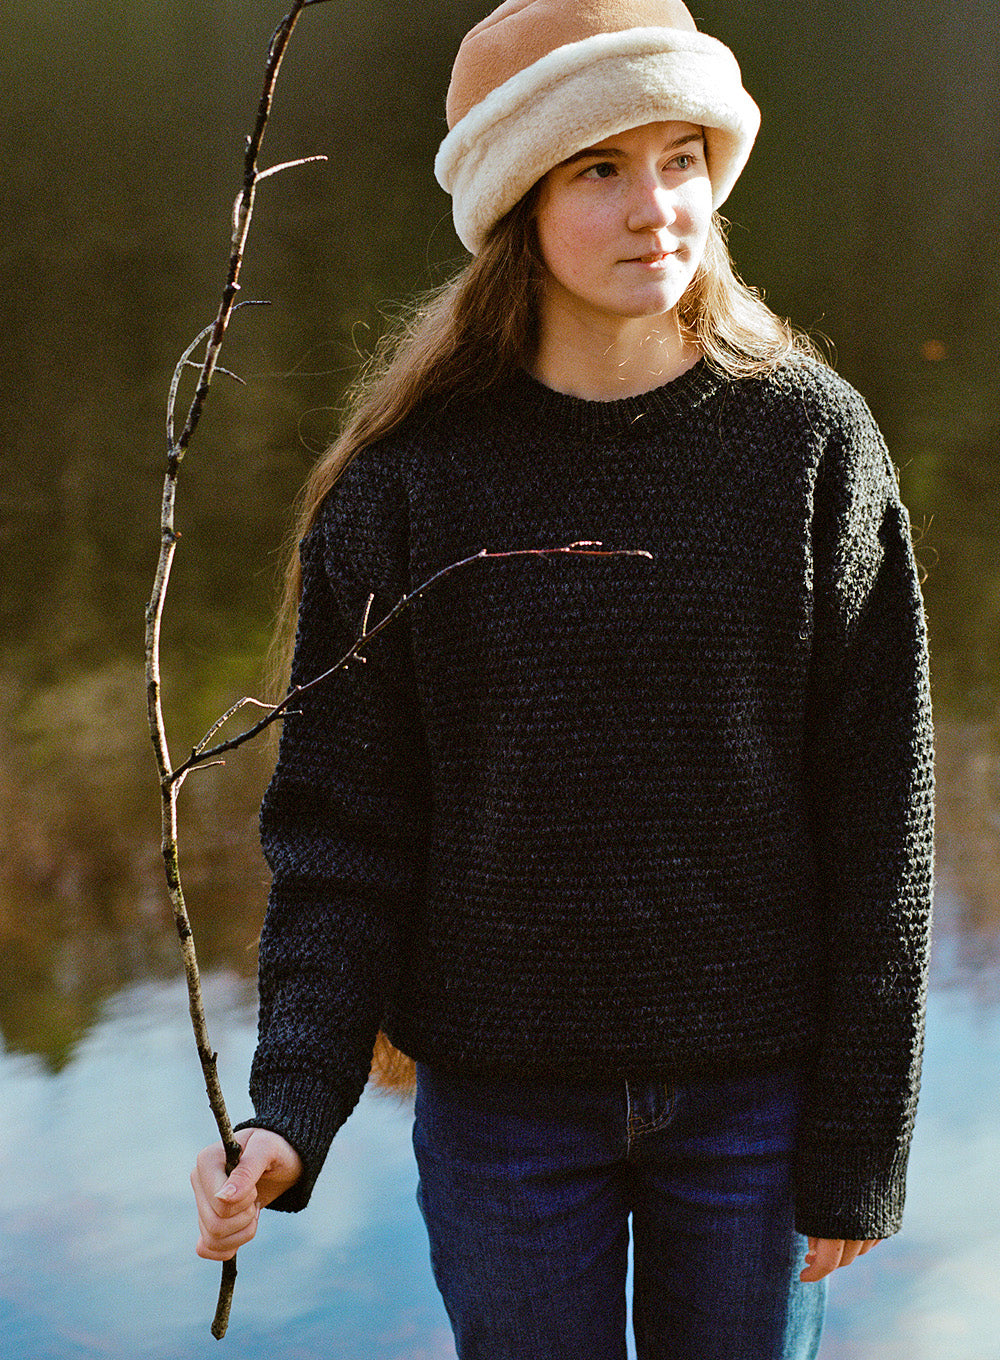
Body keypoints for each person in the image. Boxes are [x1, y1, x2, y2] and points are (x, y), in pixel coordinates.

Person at [191, 2, 934, 1356]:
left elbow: (883, 822)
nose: (658, 207)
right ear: (517, 202)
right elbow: (344, 836)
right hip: (505, 1116)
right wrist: (285, 1112)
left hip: (756, 1109)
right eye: (601, 168)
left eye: (682, 158)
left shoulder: (811, 447)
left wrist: (858, 1135)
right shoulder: (407, 486)